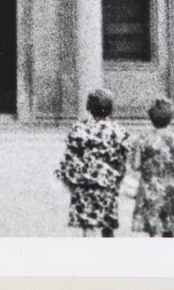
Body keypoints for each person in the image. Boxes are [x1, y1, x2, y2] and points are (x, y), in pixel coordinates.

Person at [55, 87, 130, 237]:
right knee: (107, 223)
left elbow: (69, 158)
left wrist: (67, 180)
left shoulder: (78, 129)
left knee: (88, 225)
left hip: (84, 185)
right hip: (108, 184)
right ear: (110, 109)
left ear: (88, 107)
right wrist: (119, 179)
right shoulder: (119, 131)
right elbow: (122, 160)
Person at [128, 97, 174, 238]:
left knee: (151, 227)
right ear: (170, 118)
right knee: (168, 228)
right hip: (169, 188)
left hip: (149, 187)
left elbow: (135, 165)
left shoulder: (142, 139)